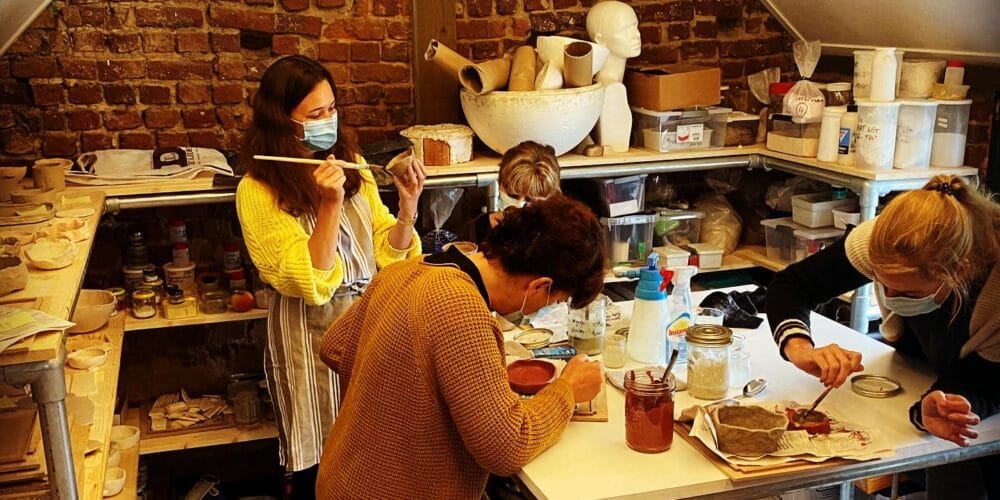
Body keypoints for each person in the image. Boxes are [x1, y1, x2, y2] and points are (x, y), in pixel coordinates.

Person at [315, 194, 606, 498]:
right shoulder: (460, 306)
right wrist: (567, 391)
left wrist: (427, 390)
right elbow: (506, 448)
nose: (544, 309)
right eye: (555, 301)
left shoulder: (408, 269)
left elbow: (335, 345)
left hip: (343, 478)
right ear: (539, 286)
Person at [235, 55, 424, 498]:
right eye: (315, 114)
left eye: (332, 109)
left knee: (375, 454)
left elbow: (387, 252)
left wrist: (408, 207)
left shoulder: (352, 162)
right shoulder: (257, 189)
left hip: (368, 325)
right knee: (321, 465)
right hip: (310, 338)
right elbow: (308, 278)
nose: (328, 121)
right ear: (283, 120)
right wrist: (329, 204)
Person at [767, 175, 1000, 499]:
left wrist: (942, 402)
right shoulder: (886, 241)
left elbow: (988, 381)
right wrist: (799, 347)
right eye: (880, 281)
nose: (889, 297)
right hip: (934, 372)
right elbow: (793, 286)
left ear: (959, 271)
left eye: (908, 293)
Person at [469, 140, 561, 242]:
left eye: (530, 200)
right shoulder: (479, 228)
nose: (519, 205)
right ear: (500, 183)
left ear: (552, 197)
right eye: (512, 195)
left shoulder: (560, 238)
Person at [586, 0, 642, 152]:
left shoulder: (599, 83)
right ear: (600, 40)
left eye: (635, 26)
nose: (637, 35)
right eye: (625, 30)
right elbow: (616, 150)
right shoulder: (613, 91)